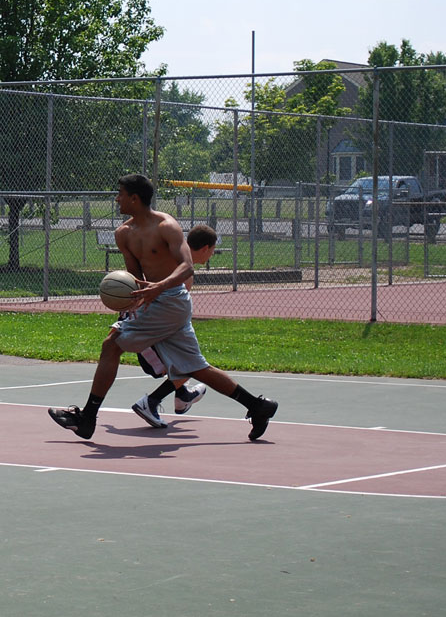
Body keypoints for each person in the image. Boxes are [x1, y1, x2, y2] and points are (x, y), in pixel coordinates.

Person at [48, 174, 278, 441]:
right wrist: (131, 298)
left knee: (111, 345)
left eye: (120, 194)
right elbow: (135, 276)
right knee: (196, 367)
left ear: (135, 198)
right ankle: (258, 406)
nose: (116, 198)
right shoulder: (123, 234)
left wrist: (159, 287)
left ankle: (88, 417)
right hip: (156, 302)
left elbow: (187, 266)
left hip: (172, 299)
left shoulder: (167, 225)